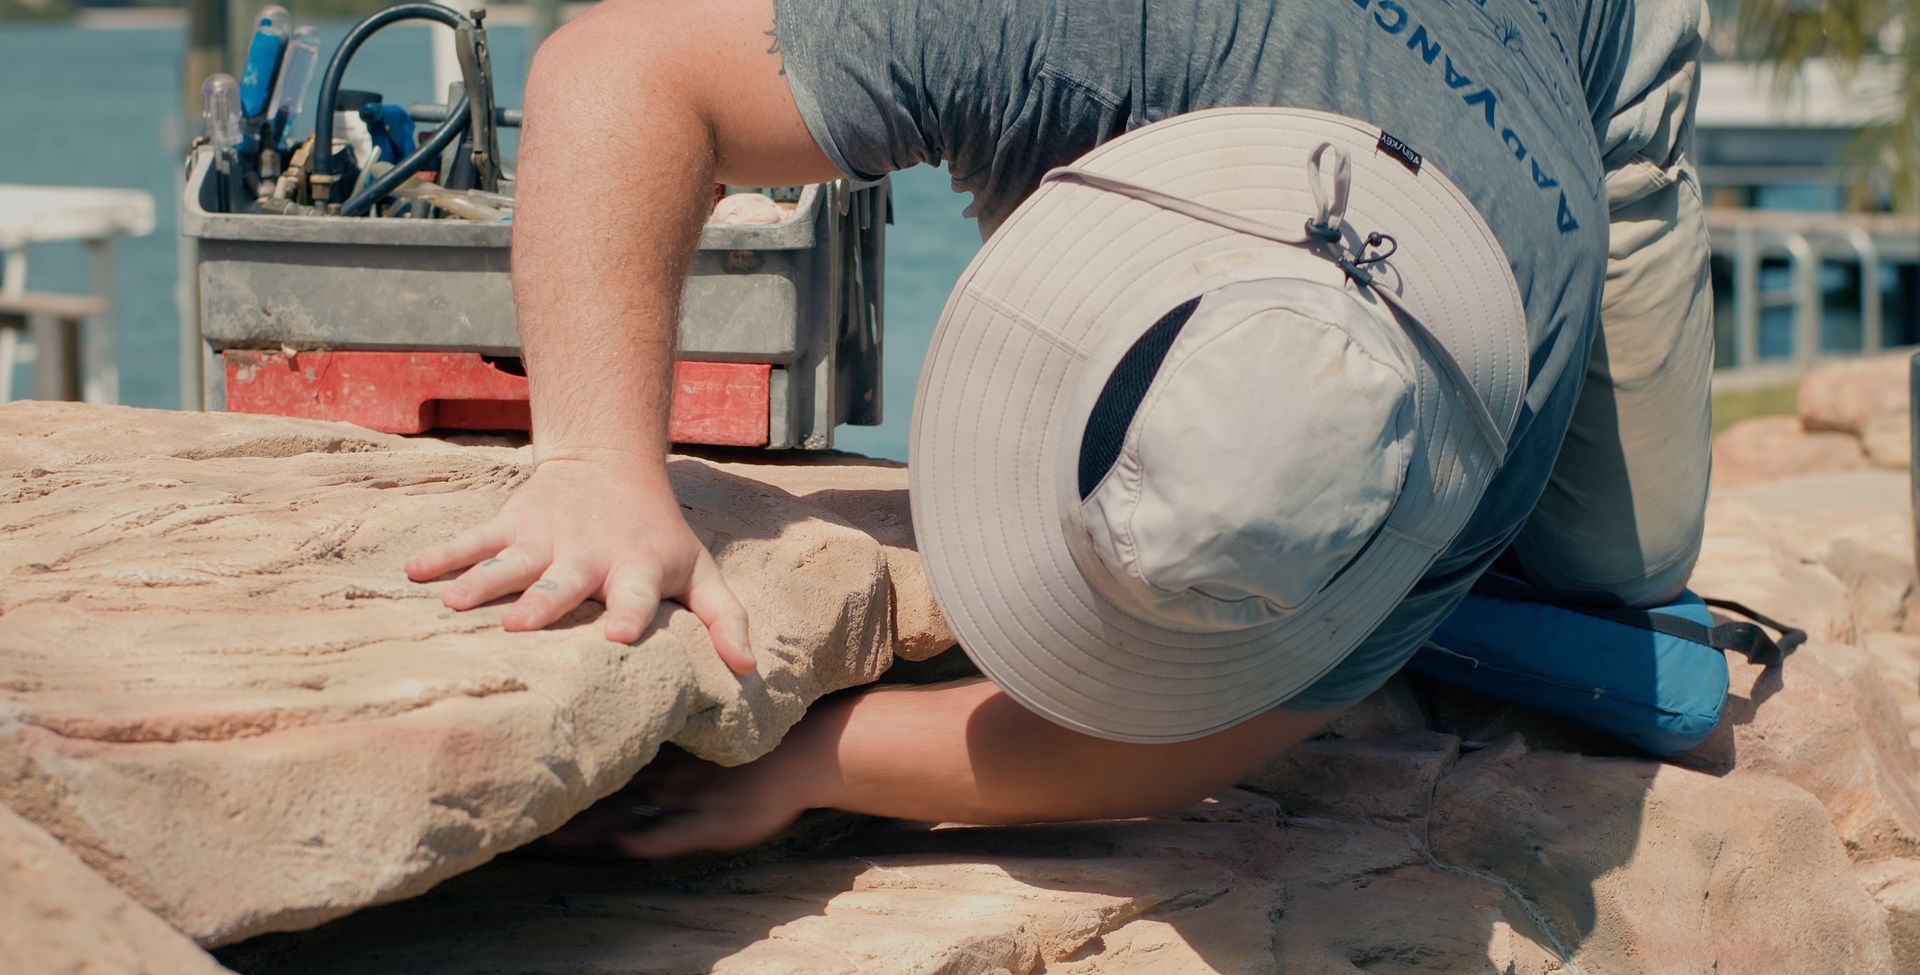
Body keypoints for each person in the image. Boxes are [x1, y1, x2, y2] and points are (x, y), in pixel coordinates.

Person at [405, 0, 1715, 857]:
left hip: (1594, 55)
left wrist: (817, 765)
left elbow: (1168, 754)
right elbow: (613, 70)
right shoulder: (1063, 25)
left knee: (1621, 576)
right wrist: (597, 464)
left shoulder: (1516, 354)